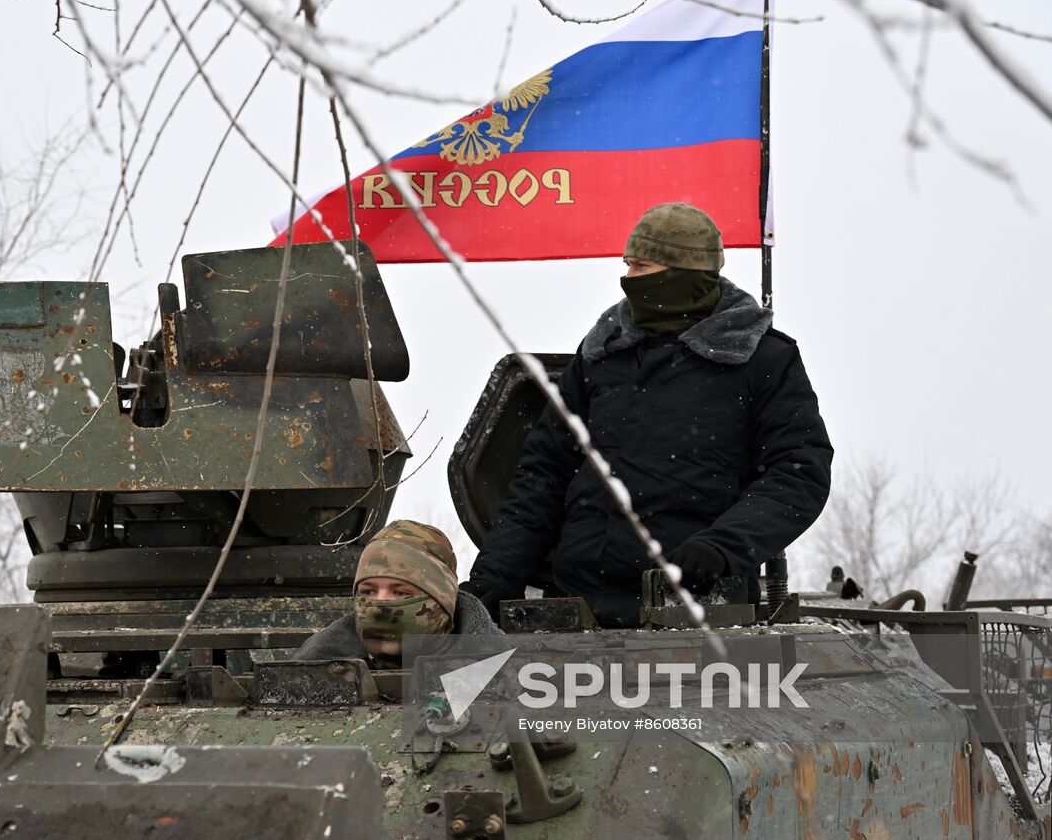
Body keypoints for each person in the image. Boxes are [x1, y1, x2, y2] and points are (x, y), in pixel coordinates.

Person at [462, 202, 833, 628]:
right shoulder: (602, 354)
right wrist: (495, 577)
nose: (627, 281)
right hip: (576, 609)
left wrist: (724, 547)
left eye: (640, 266)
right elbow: (542, 477)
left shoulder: (760, 358)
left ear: (683, 273)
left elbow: (798, 473)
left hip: (700, 613)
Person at [294, 519, 502, 666]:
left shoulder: (510, 676)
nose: (380, 604)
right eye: (368, 591)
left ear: (442, 601)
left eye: (401, 593)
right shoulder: (310, 675)